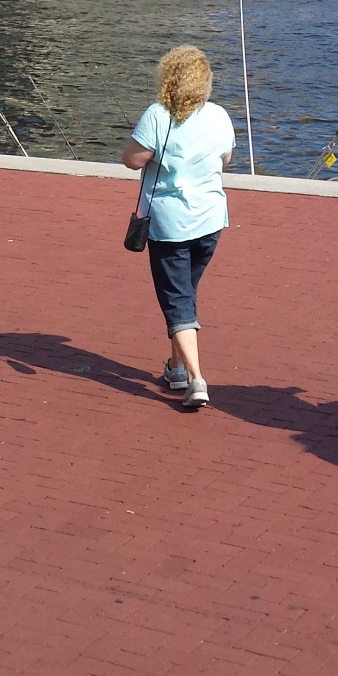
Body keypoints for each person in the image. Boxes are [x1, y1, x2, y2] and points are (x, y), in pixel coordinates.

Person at [123, 46, 235, 410]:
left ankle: (196, 378)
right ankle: (175, 368)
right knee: (184, 293)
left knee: (177, 298)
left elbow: (131, 160)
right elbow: (226, 158)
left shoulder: (158, 115)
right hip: (211, 220)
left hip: (171, 223)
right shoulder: (219, 115)